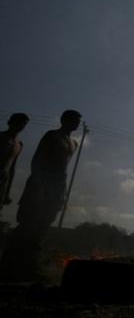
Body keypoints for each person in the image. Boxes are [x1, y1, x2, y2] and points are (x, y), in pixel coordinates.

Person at [0, 110, 81, 281]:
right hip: (40, 184)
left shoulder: (74, 143)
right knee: (27, 225)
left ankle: (29, 266)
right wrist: (38, 184)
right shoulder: (52, 136)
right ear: (64, 120)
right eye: (73, 120)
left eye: (78, 121)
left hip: (56, 188)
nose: (76, 123)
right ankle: (9, 266)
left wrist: (61, 192)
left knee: (41, 228)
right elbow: (37, 160)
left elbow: (63, 170)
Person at [0, 113, 29, 216]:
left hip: (3, 180)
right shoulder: (1, 137)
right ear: (10, 122)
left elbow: (12, 168)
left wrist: (7, 192)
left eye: (23, 123)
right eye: (18, 122)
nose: (20, 125)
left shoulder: (19, 144)